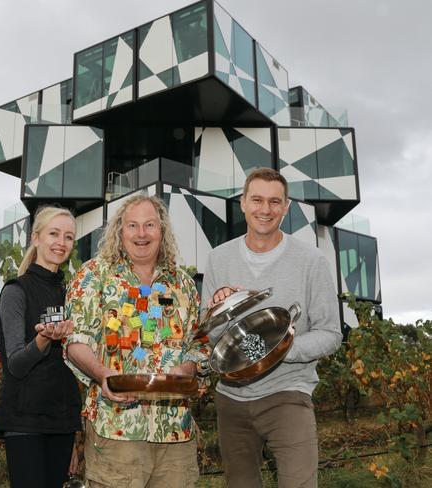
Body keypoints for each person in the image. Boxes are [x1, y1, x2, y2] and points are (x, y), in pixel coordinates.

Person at [202, 168, 343, 488]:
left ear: (286, 207)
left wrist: (281, 349)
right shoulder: (218, 259)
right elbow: (210, 334)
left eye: (274, 202)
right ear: (242, 203)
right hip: (230, 399)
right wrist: (219, 311)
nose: (265, 210)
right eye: (257, 200)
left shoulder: (311, 261)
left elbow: (331, 333)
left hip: (288, 395)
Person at [64, 194, 210, 488]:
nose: (141, 234)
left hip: (175, 431)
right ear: (120, 230)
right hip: (116, 427)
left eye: (149, 225)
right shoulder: (94, 276)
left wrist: (189, 368)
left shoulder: (182, 284)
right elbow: (75, 342)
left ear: (162, 231)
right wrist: (103, 374)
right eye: (132, 225)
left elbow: (199, 343)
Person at [0, 206, 82, 488]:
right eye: (54, 234)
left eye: (68, 237)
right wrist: (43, 339)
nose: (61, 242)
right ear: (36, 238)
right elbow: (16, 364)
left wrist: (74, 430)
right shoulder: (16, 291)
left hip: (62, 422)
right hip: (25, 421)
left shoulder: (73, 294)